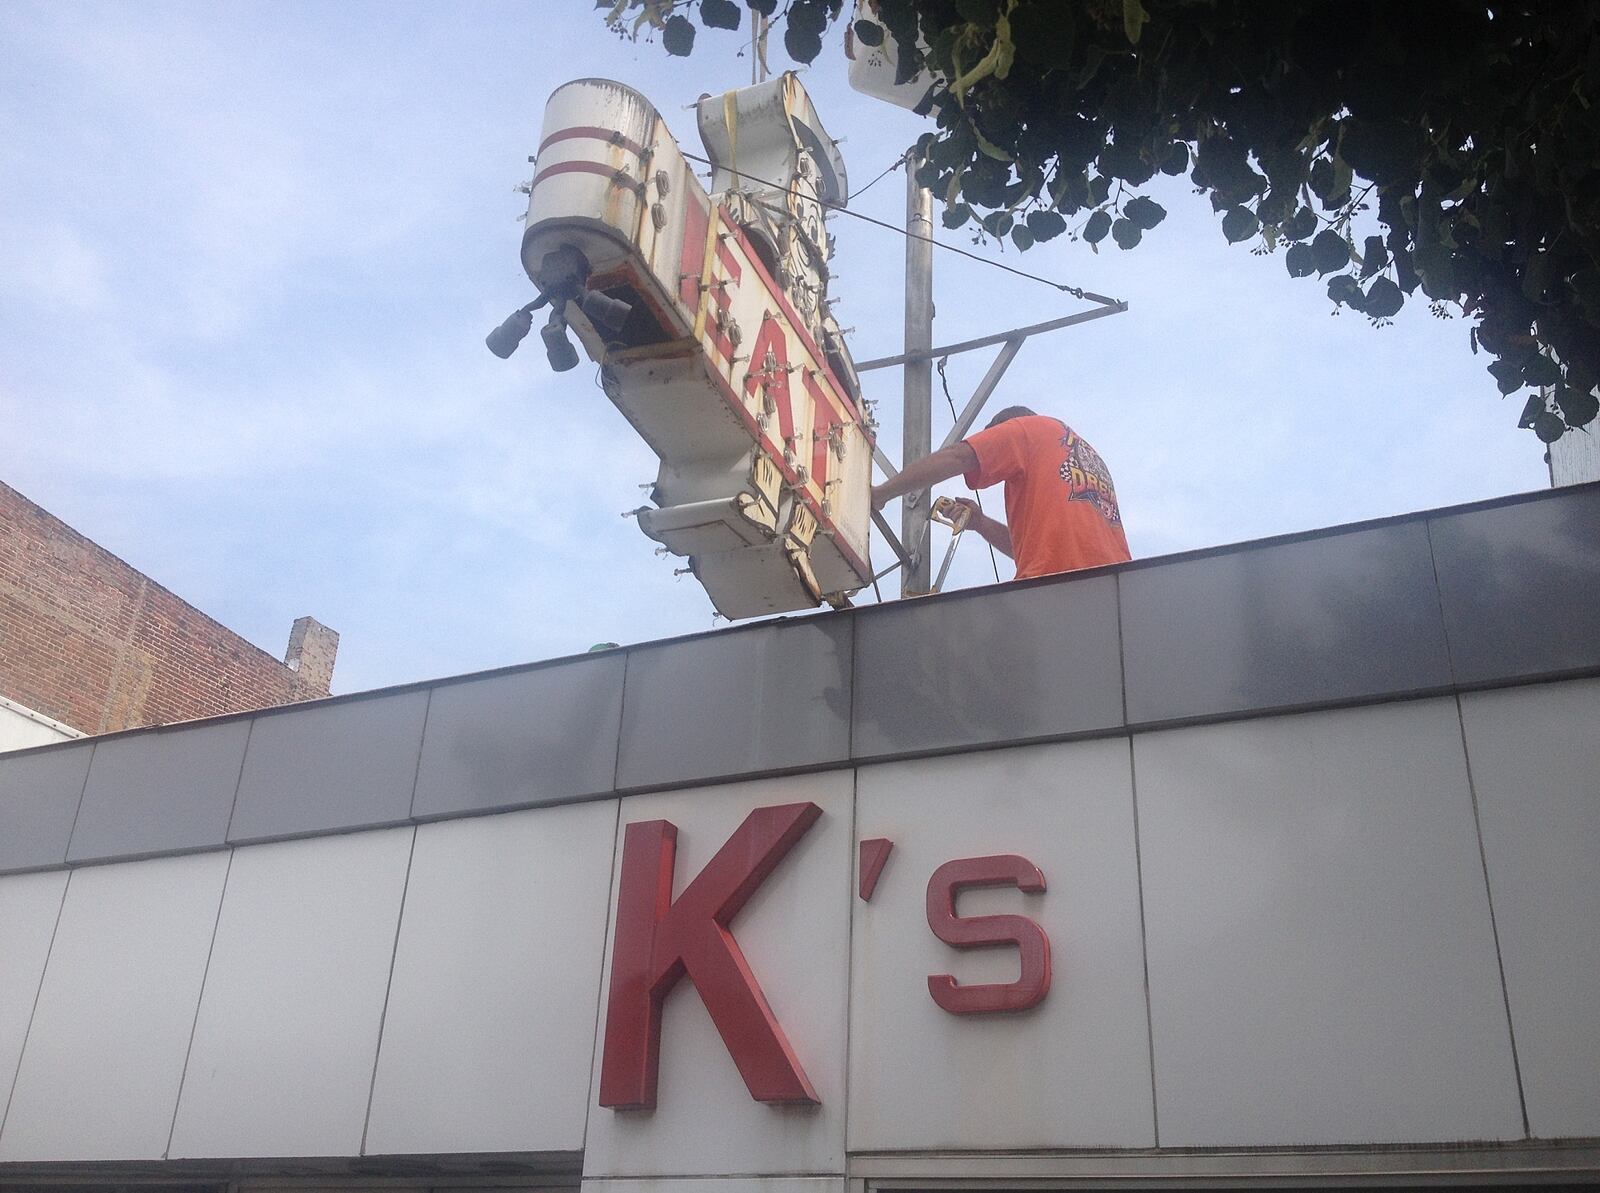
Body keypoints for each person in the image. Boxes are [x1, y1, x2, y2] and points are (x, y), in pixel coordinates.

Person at [870, 405, 1130, 580]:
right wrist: (980, 524)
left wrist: (883, 493)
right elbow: (1041, 550)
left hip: (1054, 590)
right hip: (1117, 590)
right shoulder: (1085, 458)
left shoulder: (1027, 430)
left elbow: (959, 457)